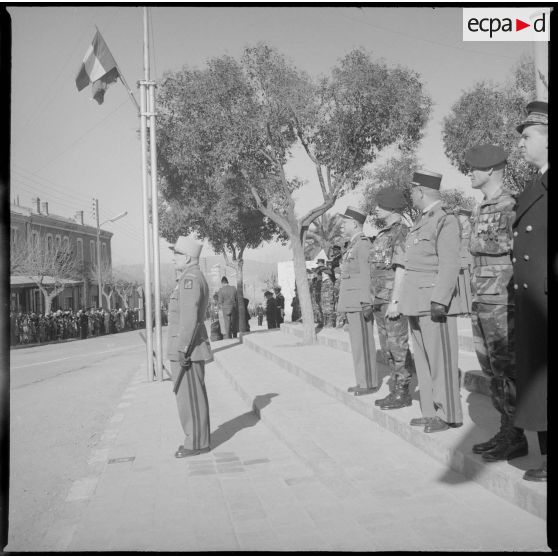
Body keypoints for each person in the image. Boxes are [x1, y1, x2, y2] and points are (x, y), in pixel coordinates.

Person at [463, 144, 527, 462]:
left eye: (473, 168)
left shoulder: (510, 204)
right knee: (493, 369)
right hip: (482, 297)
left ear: (490, 170)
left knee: (507, 369)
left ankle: (514, 435)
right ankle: (507, 429)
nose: (469, 173)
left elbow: (515, 247)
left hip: (503, 299)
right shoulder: (480, 208)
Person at [397, 170, 463, 433]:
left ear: (421, 191)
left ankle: (448, 415)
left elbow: (449, 263)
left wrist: (440, 300)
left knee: (441, 361)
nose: (411, 195)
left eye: (412, 190)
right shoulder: (421, 221)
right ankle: (430, 410)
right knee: (423, 361)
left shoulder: (444, 220)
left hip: (434, 302)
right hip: (416, 300)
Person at [513, 101, 548, 482]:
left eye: (527, 136)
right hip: (532, 300)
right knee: (538, 384)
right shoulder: (533, 186)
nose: (521, 144)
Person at [369, 188, 415, 411]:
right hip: (379, 298)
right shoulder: (382, 234)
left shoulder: (401, 232)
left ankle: (403, 391)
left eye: (380, 204)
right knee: (387, 347)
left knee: (398, 347)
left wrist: (396, 301)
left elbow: (401, 269)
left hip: (391, 300)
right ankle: (396, 388)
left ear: (390, 206)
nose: (376, 209)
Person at [167, 236, 213, 459]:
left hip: (188, 348)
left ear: (186, 257)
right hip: (186, 347)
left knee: (191, 398)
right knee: (187, 397)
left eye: (175, 254)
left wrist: (182, 349)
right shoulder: (189, 277)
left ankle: (196, 443)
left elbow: (189, 317)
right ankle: (197, 439)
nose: (172, 258)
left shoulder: (190, 279)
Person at [336, 206, 378, 396]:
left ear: (355, 223)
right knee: (357, 345)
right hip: (352, 302)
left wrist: (367, 302)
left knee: (364, 345)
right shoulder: (352, 245)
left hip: (360, 303)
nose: (341, 226)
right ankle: (362, 380)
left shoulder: (363, 244)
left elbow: (367, 275)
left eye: (344, 223)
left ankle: (368, 382)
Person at [453, 208, 474, 317]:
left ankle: (467, 309)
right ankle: (465, 309)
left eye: (461, 216)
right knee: (463, 286)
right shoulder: (463, 229)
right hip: (463, 260)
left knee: (465, 286)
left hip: (464, 260)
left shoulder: (466, 230)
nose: (459, 218)